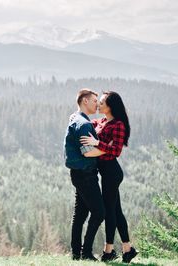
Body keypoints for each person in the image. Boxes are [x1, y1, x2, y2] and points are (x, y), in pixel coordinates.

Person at [80, 91, 138, 263]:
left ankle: (108, 251)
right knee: (116, 211)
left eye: (102, 102)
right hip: (105, 172)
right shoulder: (102, 121)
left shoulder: (118, 125)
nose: (99, 104)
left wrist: (98, 143)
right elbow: (87, 124)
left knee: (109, 211)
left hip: (111, 172)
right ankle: (127, 249)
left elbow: (116, 151)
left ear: (111, 106)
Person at [64, 88, 105, 261]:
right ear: (85, 101)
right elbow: (88, 152)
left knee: (80, 214)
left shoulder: (76, 118)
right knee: (99, 212)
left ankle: (75, 253)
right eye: (95, 101)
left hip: (78, 174)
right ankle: (86, 252)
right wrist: (108, 149)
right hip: (86, 175)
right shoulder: (84, 124)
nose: (97, 104)